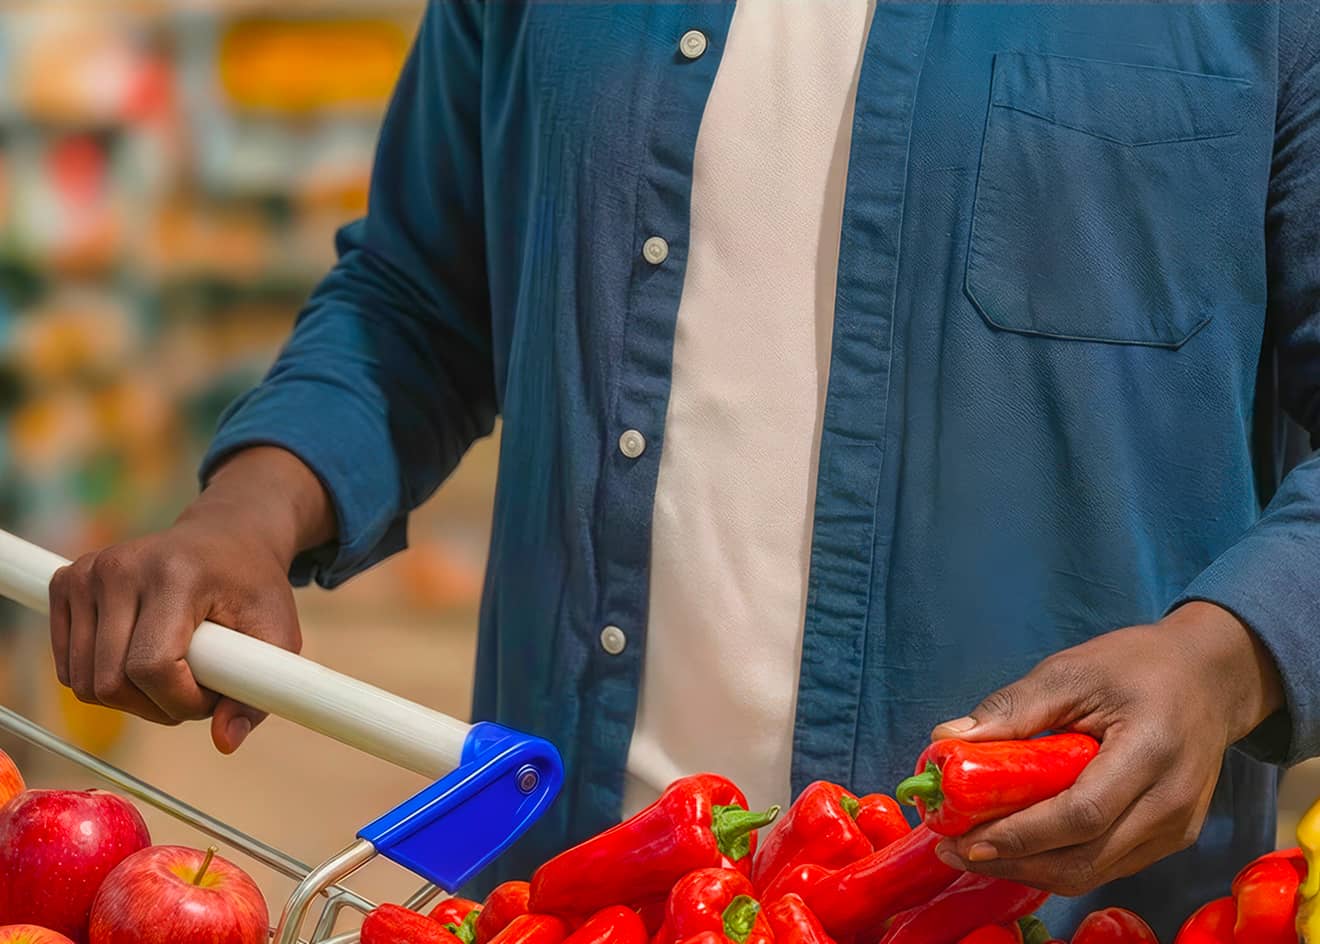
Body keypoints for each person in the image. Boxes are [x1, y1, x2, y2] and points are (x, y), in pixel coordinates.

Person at [46, 2, 1320, 936]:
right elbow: (424, 291)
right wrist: (247, 509)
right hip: (586, 894)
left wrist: (1223, 657)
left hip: (1059, 906)